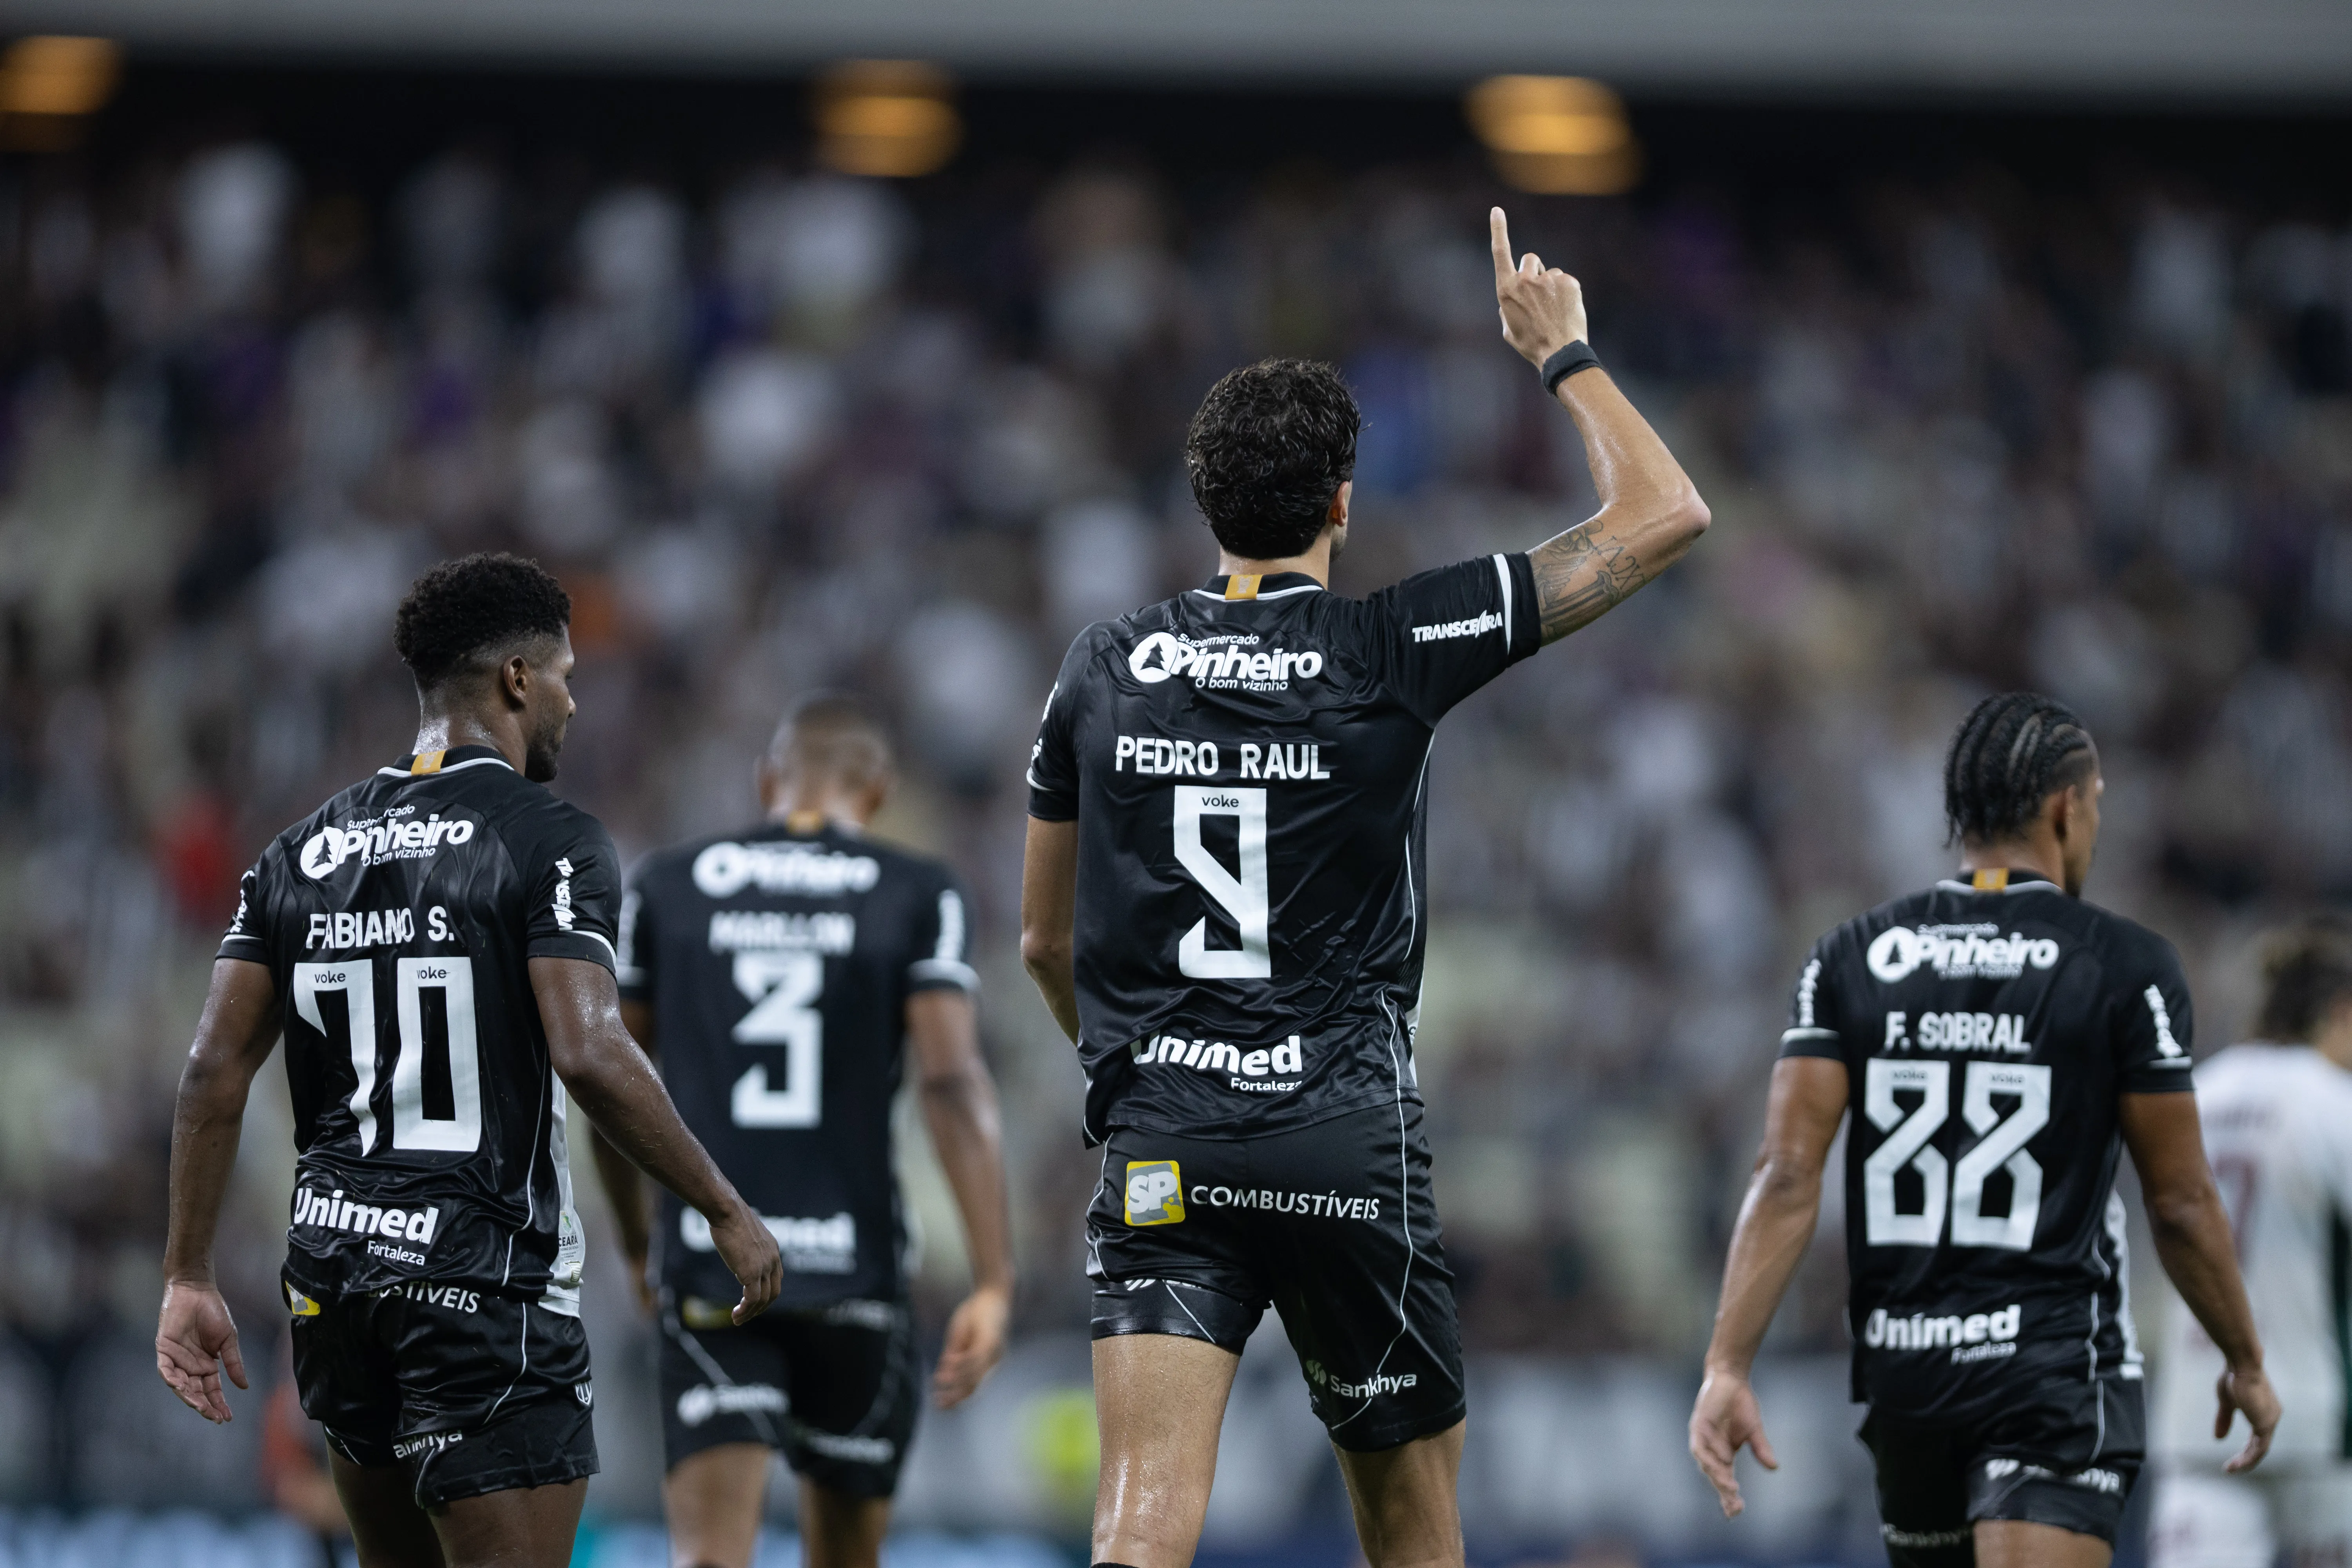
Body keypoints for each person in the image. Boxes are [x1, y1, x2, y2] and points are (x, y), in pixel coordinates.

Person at [1019, 207, 1710, 1568]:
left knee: (1142, 1526)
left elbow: (1046, 939)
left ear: (1205, 505)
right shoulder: (1394, 646)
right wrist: (1564, 353)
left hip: (1168, 1139)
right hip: (1342, 1142)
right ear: (1343, 503)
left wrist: (1140, 1077)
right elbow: (1666, 512)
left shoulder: (1101, 666)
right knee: (1410, 1535)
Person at [156, 553, 782, 1568]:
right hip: (482, 1289)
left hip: (336, 1287)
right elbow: (588, 1050)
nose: (576, 703)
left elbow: (211, 1069)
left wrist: (186, 1271)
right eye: (568, 675)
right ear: (518, 679)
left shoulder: (300, 851)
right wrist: (721, 1206)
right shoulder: (551, 839)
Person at [1688, 691, 2281, 1568]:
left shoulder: (1850, 955)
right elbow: (2183, 1199)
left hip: (1907, 1379)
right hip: (2046, 1369)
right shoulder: (2123, 962)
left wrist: (1727, 1366)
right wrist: (2243, 1356)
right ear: (2064, 807)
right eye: (2099, 803)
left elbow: (1784, 1173)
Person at [593, 694, 1015, 1568]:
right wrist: (993, 1275)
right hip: (855, 1270)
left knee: (709, 1558)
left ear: (766, 781)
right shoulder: (918, 889)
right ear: (881, 789)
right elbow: (949, 1079)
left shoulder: (667, 884)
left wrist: (640, 1241)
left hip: (715, 1264)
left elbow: (612, 1082)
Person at [2148, 916, 2352, 1568]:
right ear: (2340, 1013)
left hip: (2197, 1422)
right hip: (2318, 1429)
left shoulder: (2198, 1091)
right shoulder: (2330, 1101)